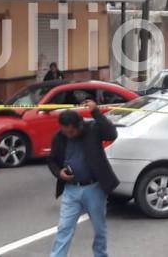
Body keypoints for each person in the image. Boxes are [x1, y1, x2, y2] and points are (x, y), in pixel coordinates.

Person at [48, 100, 119, 257]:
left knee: (99, 228)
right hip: (71, 189)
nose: (69, 135)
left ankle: (100, 254)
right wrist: (59, 173)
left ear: (79, 125)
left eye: (71, 132)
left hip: (94, 188)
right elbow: (51, 160)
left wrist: (96, 112)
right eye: (65, 132)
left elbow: (111, 134)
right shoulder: (59, 137)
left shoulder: (92, 129)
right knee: (64, 227)